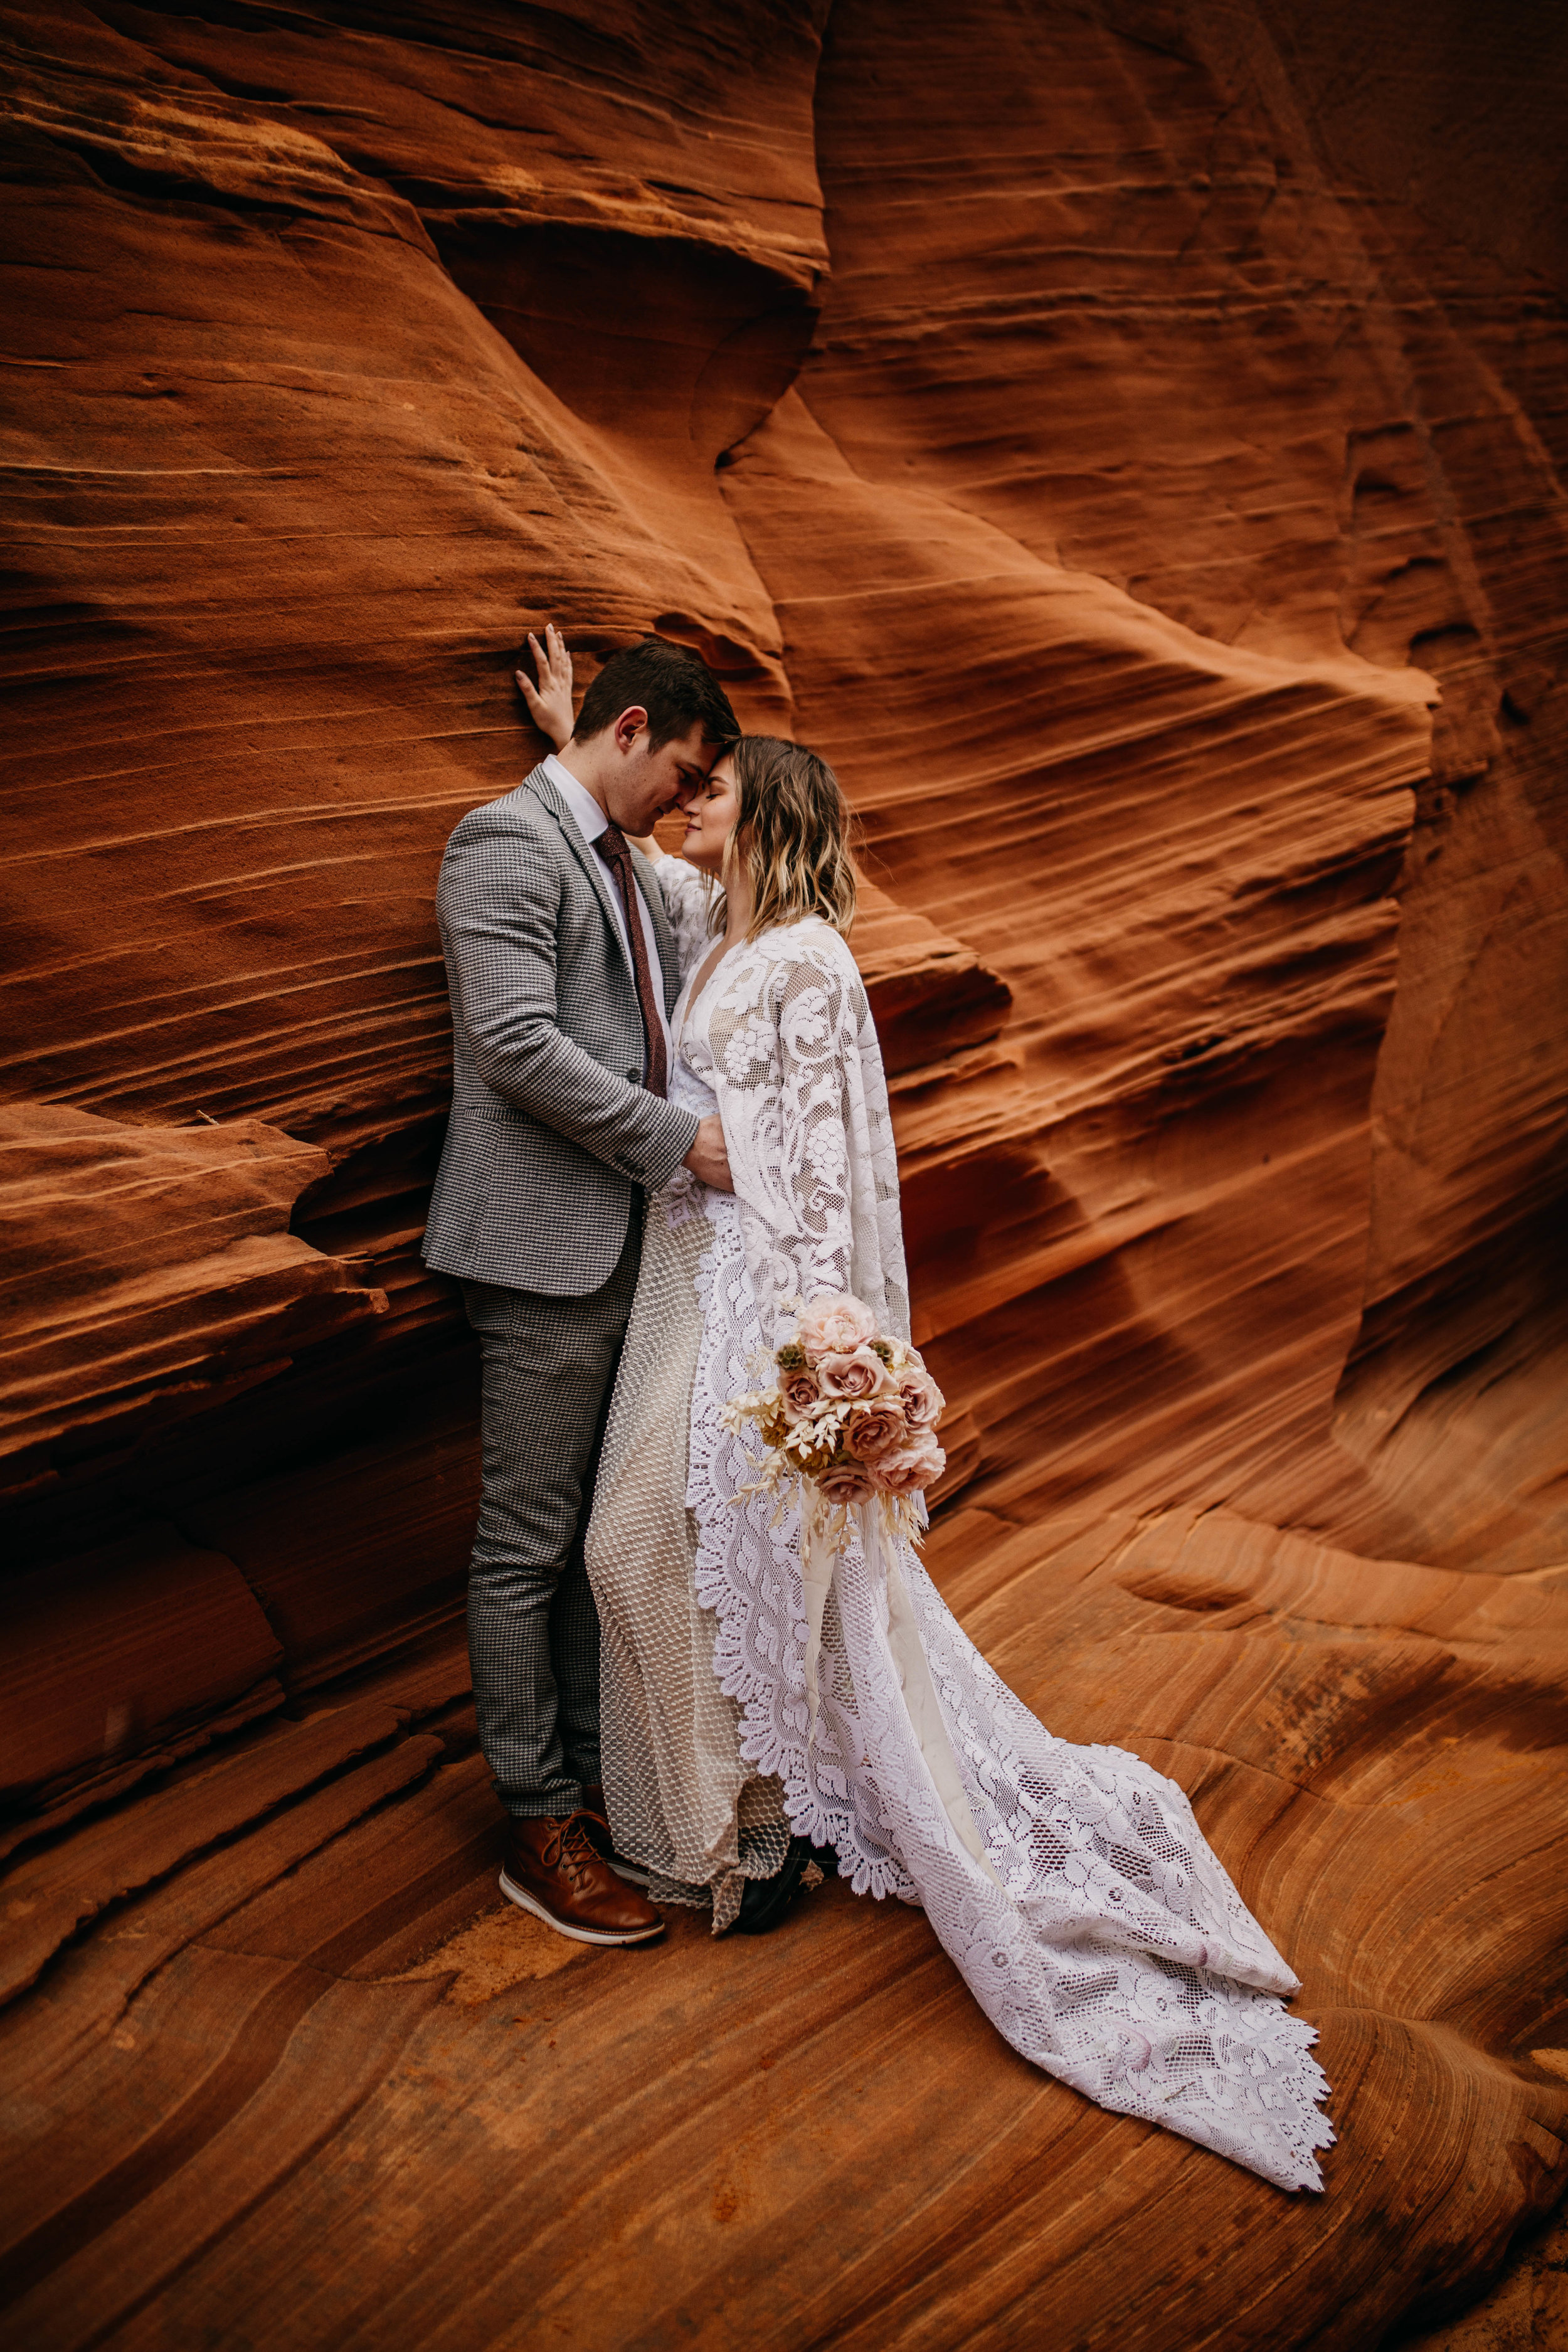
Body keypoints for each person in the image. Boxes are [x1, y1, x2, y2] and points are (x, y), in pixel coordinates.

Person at [520, 632, 1335, 2192]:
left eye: (715, 793)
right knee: (668, 1565)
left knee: (673, 1558)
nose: (689, 803)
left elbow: (821, 1181)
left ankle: (739, 1846)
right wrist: (573, 748)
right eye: (681, 780)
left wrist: (827, 1351)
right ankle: (730, 1840)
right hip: (684, 1291)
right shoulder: (724, 934)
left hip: (754, 1306)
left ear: (768, 816)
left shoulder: (805, 962)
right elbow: (639, 874)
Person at [423, 630, 738, 1948]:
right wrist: (682, 1143)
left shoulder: (608, 847)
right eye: (675, 769)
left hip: (628, 1251)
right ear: (628, 736)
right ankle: (533, 1819)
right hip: (543, 1253)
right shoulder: (502, 843)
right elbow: (510, 1043)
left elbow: (694, 918)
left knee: (593, 1541)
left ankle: (591, 1784)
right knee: (525, 1546)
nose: (680, 799)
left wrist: (578, 753)